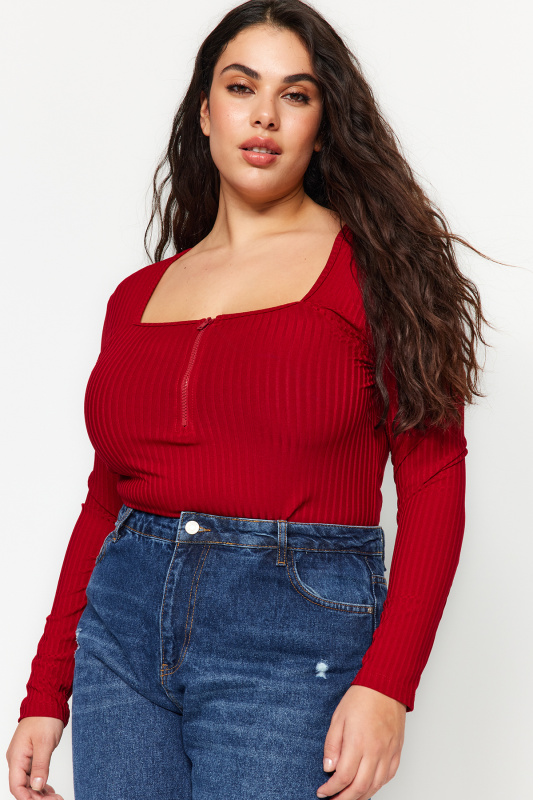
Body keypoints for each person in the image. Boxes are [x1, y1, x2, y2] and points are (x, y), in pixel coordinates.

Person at [6, 2, 493, 799]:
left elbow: (434, 479)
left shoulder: (376, 272)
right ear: (205, 110)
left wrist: (388, 684)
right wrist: (43, 692)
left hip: (290, 643)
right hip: (120, 643)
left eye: (295, 95)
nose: (264, 114)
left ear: (322, 125)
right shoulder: (136, 297)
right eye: (241, 87)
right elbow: (105, 501)